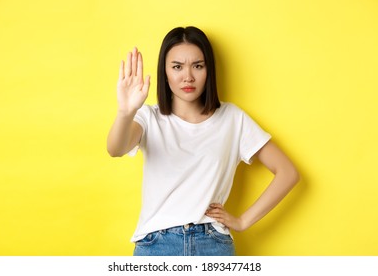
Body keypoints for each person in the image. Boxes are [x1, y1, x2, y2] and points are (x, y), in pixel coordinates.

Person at [107, 26, 299, 256]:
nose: (188, 76)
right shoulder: (149, 117)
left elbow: (288, 172)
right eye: (177, 67)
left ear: (209, 70)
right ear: (165, 72)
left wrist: (243, 221)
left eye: (198, 66)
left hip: (212, 244)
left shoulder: (232, 118)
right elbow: (115, 149)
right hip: (156, 245)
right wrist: (125, 112)